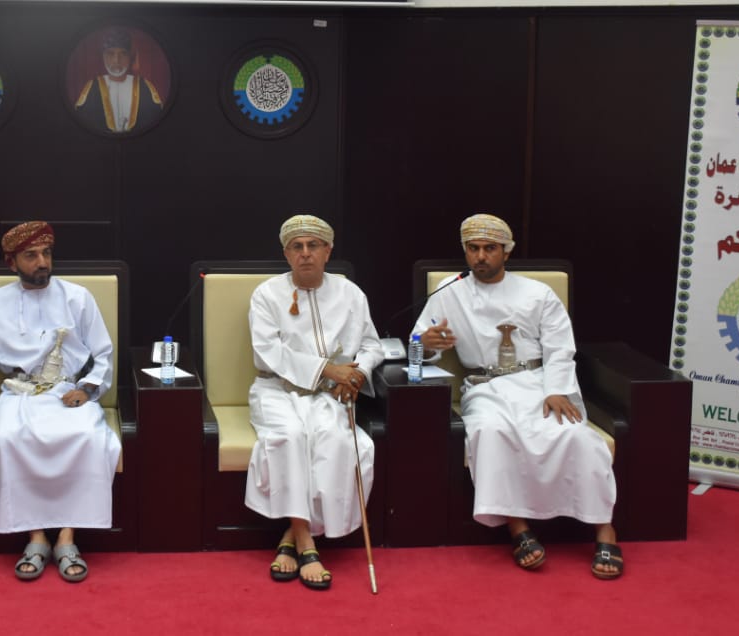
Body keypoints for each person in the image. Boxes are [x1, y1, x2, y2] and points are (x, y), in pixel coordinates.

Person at [412, 213, 623, 580]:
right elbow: (417, 344)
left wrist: (556, 389)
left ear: (506, 252)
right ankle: (518, 528)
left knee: (575, 435)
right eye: (473, 249)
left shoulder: (537, 293)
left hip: (538, 383)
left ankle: (605, 529)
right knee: (490, 433)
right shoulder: (449, 290)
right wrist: (426, 343)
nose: (480, 256)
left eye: (489, 249)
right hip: (485, 387)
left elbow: (560, 348)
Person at [0, 221, 121, 583]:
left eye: (47, 253)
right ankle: (36, 537)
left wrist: (88, 389)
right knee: (6, 438)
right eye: (31, 255)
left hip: (67, 392)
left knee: (88, 437)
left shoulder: (77, 297)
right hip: (19, 393)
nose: (42, 262)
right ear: (12, 263)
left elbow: (103, 353)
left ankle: (67, 536)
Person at [246, 214, 383, 591]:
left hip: (328, 394)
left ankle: (290, 537)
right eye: (297, 247)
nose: (305, 253)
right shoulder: (267, 294)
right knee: (289, 437)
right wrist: (328, 369)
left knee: (334, 440)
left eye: (313, 246)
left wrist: (357, 374)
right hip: (276, 390)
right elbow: (267, 351)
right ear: (286, 254)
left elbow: (372, 346)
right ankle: (307, 542)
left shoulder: (350, 293)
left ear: (328, 251)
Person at [73, 27, 164, 133]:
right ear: (103, 57)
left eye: (123, 54)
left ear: (130, 57)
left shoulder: (145, 86)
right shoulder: (92, 87)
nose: (116, 60)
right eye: (110, 54)